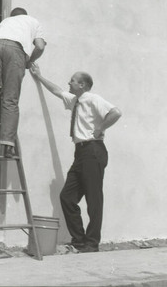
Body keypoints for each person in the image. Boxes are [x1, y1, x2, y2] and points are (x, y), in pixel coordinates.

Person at [29, 64, 122, 253]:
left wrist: (100, 128)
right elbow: (57, 91)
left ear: (82, 85)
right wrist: (39, 76)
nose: (69, 83)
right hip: (80, 153)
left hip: (93, 150)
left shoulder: (93, 99)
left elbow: (116, 112)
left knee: (93, 198)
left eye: (72, 80)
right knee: (67, 197)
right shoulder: (75, 100)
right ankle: (79, 240)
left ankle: (91, 243)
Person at [0, 7, 46, 158]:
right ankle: (7, 145)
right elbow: (40, 46)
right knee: (10, 99)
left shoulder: (4, 23)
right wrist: (29, 61)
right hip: (16, 50)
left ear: (12, 16)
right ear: (25, 15)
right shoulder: (33, 21)